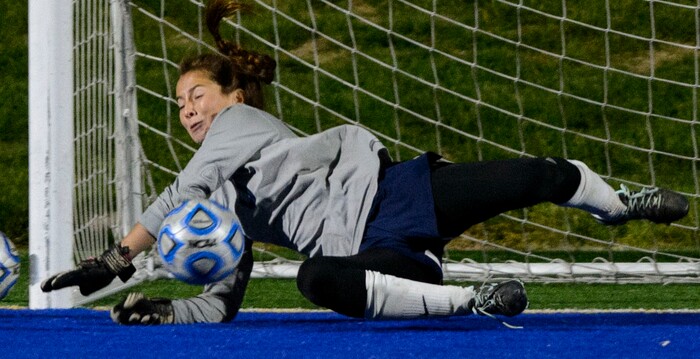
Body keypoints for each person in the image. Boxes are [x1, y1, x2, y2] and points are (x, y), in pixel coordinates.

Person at [41, 0, 689, 325]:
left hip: (396, 194)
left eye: (196, 95)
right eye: (178, 104)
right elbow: (219, 304)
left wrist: (117, 258)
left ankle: (617, 203)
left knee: (533, 176)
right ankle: (472, 300)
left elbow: (177, 193)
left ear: (233, 96)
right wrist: (162, 309)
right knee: (317, 281)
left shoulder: (237, 128)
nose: (186, 110)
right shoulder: (218, 214)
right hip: (371, 256)